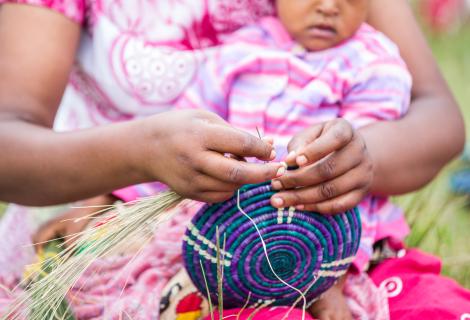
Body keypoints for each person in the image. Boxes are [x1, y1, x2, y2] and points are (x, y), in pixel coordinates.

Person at [0, 0, 466, 319]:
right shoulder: (243, 56)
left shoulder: (364, 52)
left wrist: (358, 159)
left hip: (337, 236)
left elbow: (439, 118)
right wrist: (132, 161)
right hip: (154, 225)